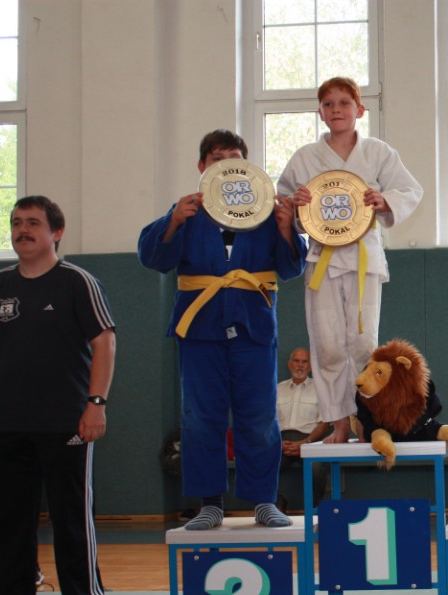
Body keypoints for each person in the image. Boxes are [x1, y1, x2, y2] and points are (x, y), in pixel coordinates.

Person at [138, 130, 308, 531]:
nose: (226, 163)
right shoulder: (187, 212)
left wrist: (287, 228)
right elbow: (153, 258)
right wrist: (172, 220)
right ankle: (210, 503)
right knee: (201, 416)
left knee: (259, 415)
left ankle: (264, 500)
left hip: (253, 328)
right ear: (203, 166)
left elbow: (291, 268)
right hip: (200, 328)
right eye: (217, 158)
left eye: (234, 157)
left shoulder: (266, 211)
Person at [0, 196, 115, 595]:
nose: (23, 230)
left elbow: (104, 343)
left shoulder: (77, 282)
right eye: (16, 222)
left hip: (66, 422)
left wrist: (96, 404)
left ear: (56, 232)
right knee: (6, 521)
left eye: (33, 223)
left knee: (70, 516)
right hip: (4, 424)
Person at [278, 76, 422, 446]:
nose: (336, 109)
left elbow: (410, 189)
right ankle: (337, 421)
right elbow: (283, 202)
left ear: (359, 110)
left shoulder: (377, 152)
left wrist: (384, 199)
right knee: (326, 345)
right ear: (320, 113)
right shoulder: (305, 158)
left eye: (344, 103)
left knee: (363, 343)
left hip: (363, 259)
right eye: (328, 104)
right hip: (322, 260)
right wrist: (296, 205)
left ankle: (366, 418)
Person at [277, 347, 329, 509]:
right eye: (296, 361)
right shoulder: (277, 389)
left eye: (304, 362)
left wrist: (305, 442)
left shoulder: (320, 389)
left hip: (310, 442)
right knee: (260, 465)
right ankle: (276, 504)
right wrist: (277, 443)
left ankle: (316, 509)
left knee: (317, 468)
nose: (300, 365)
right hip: (280, 443)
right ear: (289, 364)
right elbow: (268, 421)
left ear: (310, 366)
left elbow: (324, 423)